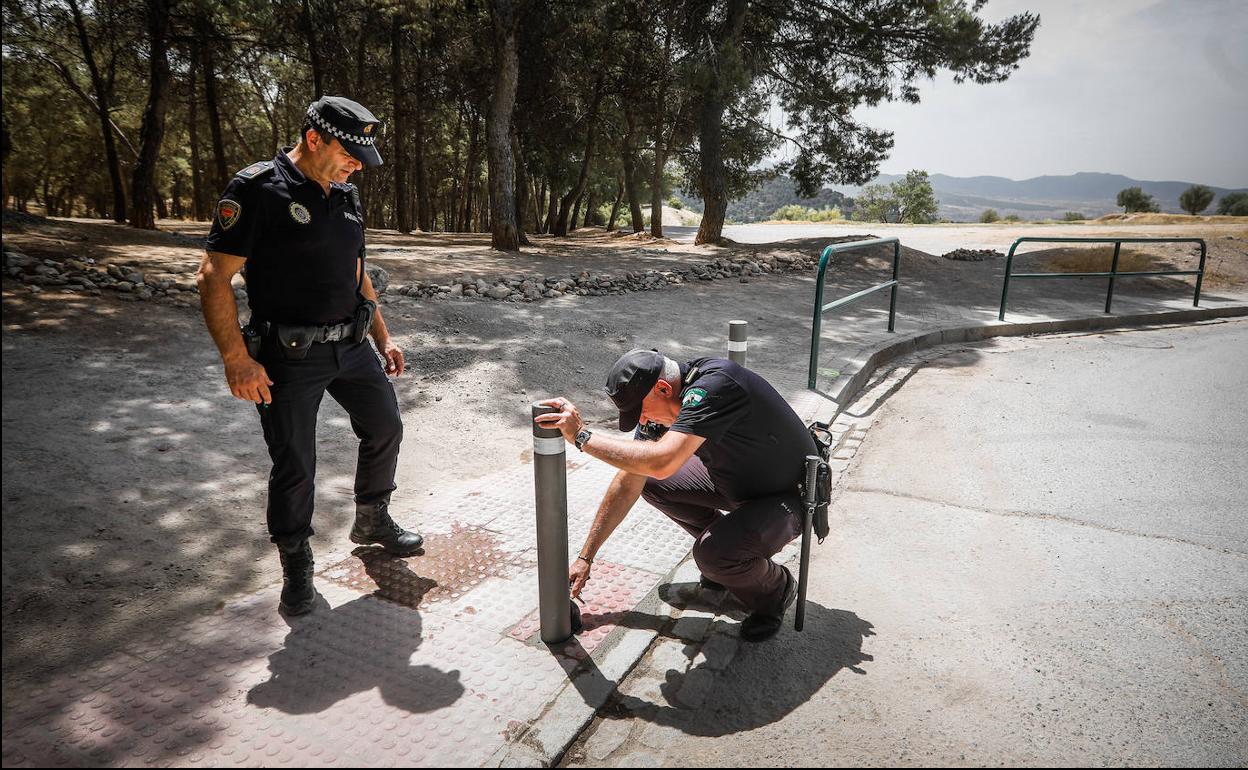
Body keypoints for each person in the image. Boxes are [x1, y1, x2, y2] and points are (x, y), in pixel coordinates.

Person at [197, 95, 422, 617]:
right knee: (296, 462)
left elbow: (356, 274)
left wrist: (383, 338)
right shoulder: (257, 188)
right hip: (288, 355)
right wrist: (236, 358)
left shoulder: (344, 195)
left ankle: (372, 518)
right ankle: (296, 564)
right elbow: (213, 276)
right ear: (314, 137)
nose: (356, 167)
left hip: (351, 345)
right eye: (348, 153)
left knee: (386, 425)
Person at [536, 349, 816, 641]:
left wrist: (582, 436)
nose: (642, 420)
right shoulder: (666, 400)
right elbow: (630, 479)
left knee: (713, 554)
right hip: (738, 483)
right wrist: (586, 557)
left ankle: (776, 590)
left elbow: (661, 461)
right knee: (653, 483)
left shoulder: (716, 387)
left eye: (641, 410)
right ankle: (729, 562)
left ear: (663, 388)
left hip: (786, 498)